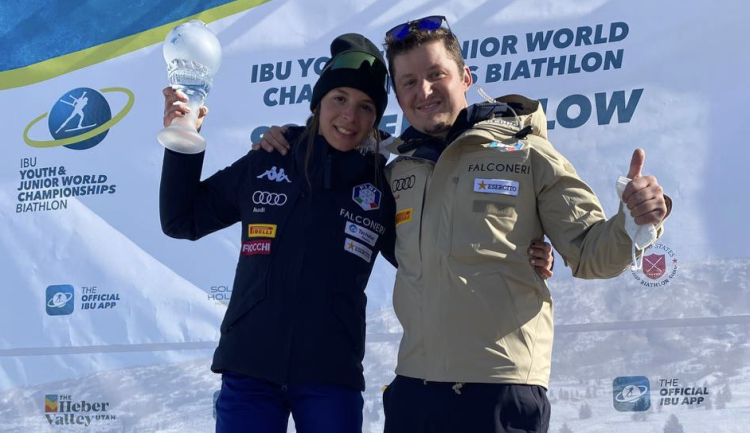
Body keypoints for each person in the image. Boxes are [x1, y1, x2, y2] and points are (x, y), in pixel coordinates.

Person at [257, 16, 670, 433]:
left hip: (499, 390)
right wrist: (290, 140)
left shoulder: (528, 153)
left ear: (465, 77)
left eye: (436, 74)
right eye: (409, 82)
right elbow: (334, 178)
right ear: (398, 96)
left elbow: (589, 253)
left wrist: (633, 223)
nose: (424, 91)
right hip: (414, 390)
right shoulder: (394, 171)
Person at [160, 33, 397, 433]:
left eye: (366, 107)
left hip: (330, 376)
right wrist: (183, 141)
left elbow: (423, 257)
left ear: (376, 119)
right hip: (250, 369)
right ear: (317, 103)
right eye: (339, 98)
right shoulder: (270, 156)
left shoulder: (382, 185)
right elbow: (182, 220)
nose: (349, 117)